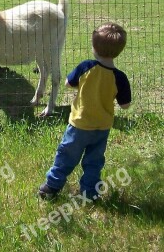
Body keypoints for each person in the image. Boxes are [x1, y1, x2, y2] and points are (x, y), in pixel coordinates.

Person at [39, 22, 131, 201]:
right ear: (120, 50)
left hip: (79, 125)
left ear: (94, 48)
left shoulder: (86, 67)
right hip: (102, 127)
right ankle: (90, 193)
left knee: (66, 156)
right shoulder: (119, 77)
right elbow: (126, 105)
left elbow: (68, 83)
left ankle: (51, 187)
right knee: (94, 162)